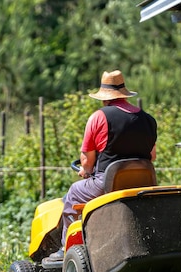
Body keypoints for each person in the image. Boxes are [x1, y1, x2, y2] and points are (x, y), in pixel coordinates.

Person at [48, 70, 157, 261]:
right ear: (124, 94)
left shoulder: (99, 117)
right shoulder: (148, 120)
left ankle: (66, 248)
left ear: (104, 98)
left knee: (74, 192)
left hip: (107, 184)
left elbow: (87, 162)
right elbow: (152, 156)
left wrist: (85, 170)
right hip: (142, 183)